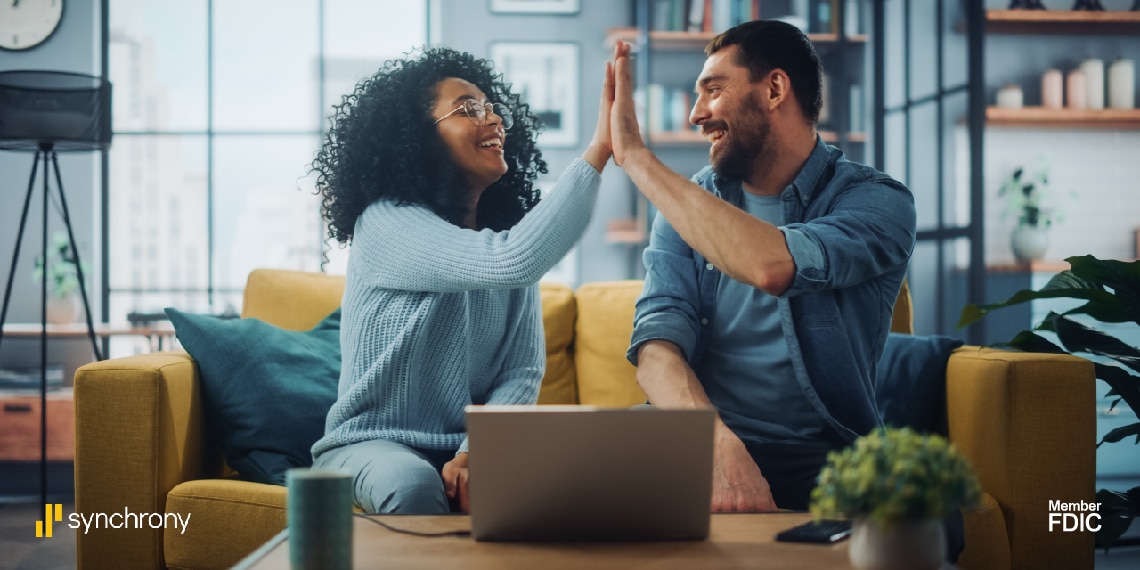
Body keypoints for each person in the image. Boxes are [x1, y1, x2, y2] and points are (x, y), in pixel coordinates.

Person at [309, 46, 615, 515]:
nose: (492, 120)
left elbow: (520, 373)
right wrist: (599, 151)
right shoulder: (387, 223)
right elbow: (512, 260)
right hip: (370, 444)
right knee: (412, 483)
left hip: (465, 446)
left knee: (587, 482)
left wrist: (476, 452)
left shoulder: (502, 243)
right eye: (469, 108)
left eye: (492, 109)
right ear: (416, 137)